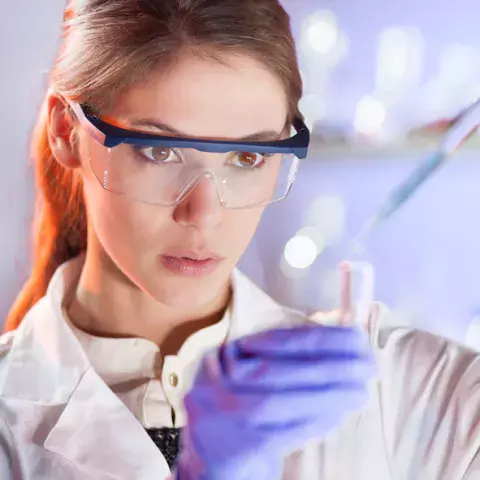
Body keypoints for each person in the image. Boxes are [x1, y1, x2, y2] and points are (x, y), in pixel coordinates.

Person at [0, 1, 479, 479]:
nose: (204, 214)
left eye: (248, 157)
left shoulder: (412, 389)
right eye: (159, 150)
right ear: (67, 131)